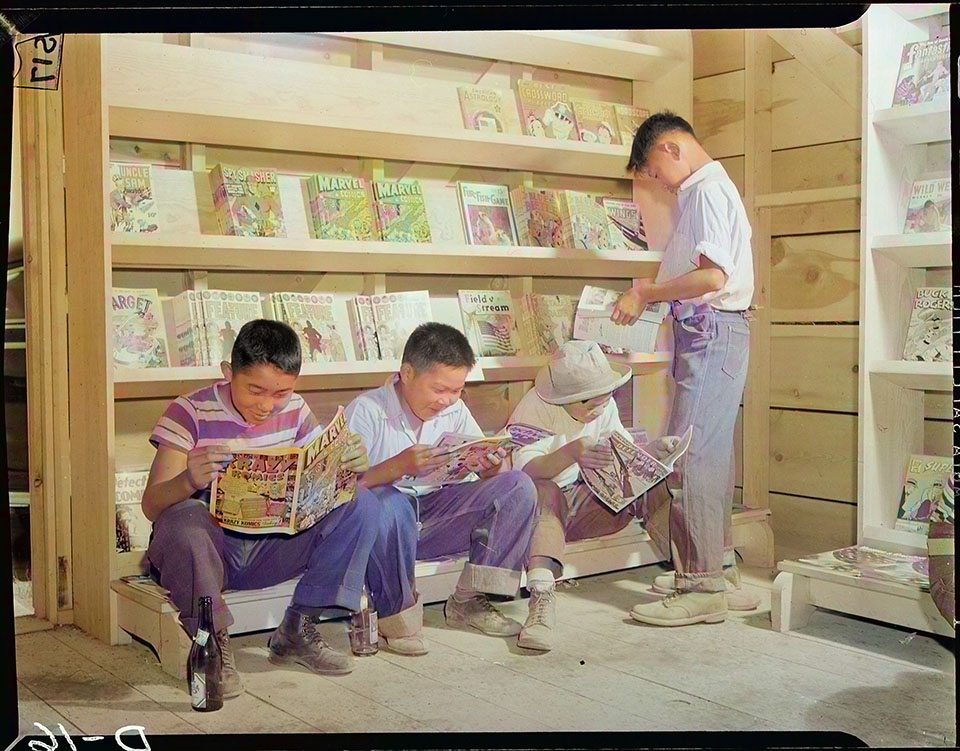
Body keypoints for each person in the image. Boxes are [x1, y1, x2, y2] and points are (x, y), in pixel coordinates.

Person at [142, 319, 424, 700]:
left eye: (281, 392)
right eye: (255, 390)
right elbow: (151, 505)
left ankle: (299, 628)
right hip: (210, 557)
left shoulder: (294, 409)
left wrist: (348, 462)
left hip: (271, 547)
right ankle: (215, 643)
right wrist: (188, 481)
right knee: (186, 518)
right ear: (228, 373)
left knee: (360, 503)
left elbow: (319, 482)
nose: (267, 405)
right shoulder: (188, 412)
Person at [612, 111, 760, 626]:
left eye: (652, 168)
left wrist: (646, 292)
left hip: (712, 327)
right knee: (710, 452)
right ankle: (716, 570)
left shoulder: (707, 192)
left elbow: (712, 276)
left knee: (690, 453)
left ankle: (701, 587)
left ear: (672, 149)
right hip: (712, 331)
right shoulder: (701, 192)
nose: (654, 180)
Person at [346, 322, 539, 641]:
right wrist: (398, 466)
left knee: (518, 485)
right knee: (390, 502)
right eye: (439, 389)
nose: (447, 400)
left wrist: (490, 466)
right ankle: (397, 617)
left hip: (435, 519)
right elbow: (341, 491)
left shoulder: (455, 409)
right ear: (406, 373)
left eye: (457, 390)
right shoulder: (367, 411)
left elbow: (490, 474)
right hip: (384, 531)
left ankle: (470, 601)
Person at [506, 340, 679, 651]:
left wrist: (654, 453)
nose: (599, 409)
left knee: (655, 482)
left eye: (606, 399)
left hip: (591, 503)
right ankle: (542, 600)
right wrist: (572, 453)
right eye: (589, 405)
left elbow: (623, 453)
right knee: (543, 490)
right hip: (542, 518)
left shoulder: (603, 404)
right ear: (565, 398)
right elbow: (527, 474)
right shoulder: (534, 408)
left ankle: (691, 575)